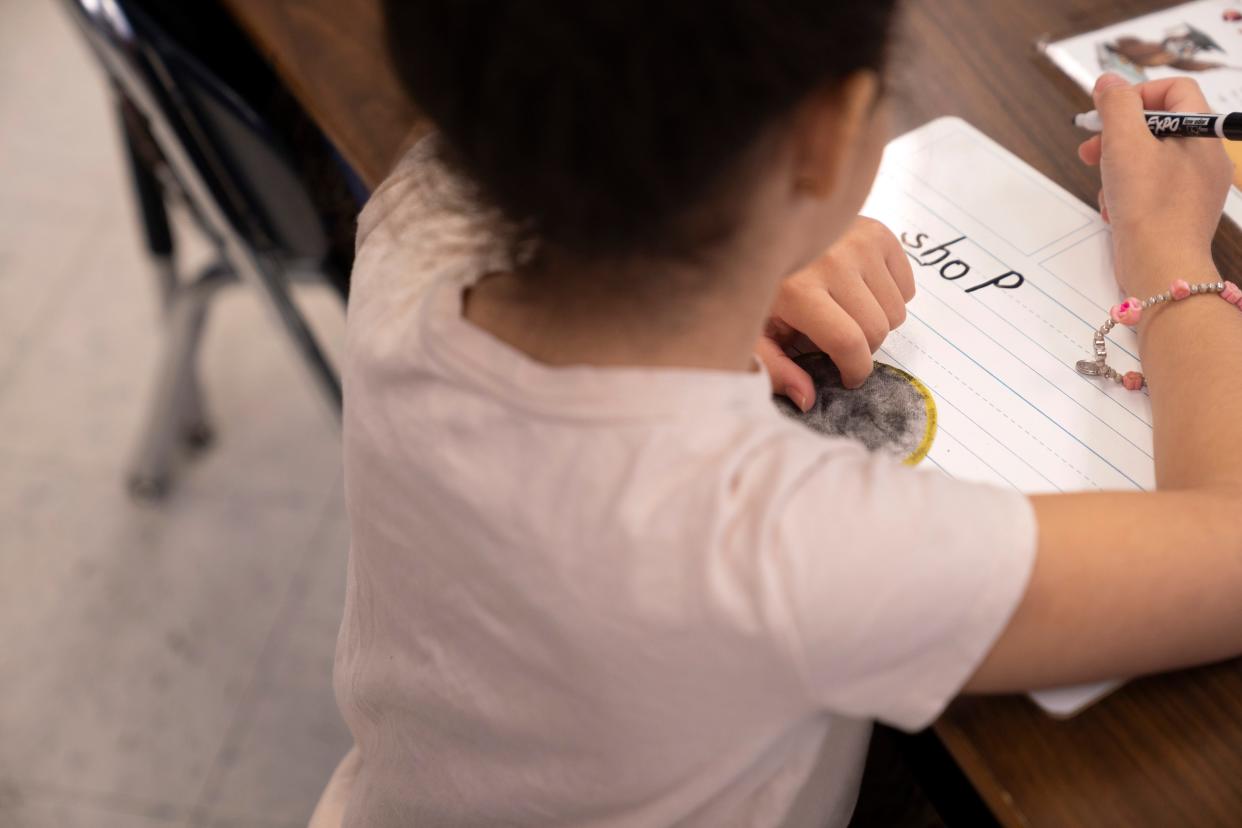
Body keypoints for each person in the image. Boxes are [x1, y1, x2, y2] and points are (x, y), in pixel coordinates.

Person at [315, 2, 1242, 825]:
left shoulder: (413, 216)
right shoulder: (772, 544)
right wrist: (1167, 249)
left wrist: (744, 249)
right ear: (826, 139)